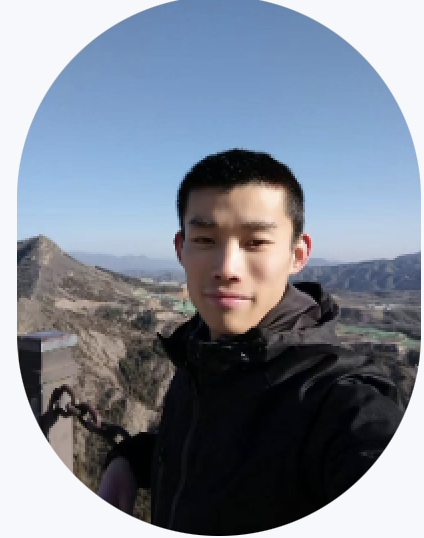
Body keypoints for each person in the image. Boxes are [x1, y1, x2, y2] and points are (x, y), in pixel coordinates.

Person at [97, 149, 404, 535]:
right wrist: (129, 459)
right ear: (180, 249)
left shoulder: (338, 401)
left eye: (256, 242)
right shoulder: (199, 353)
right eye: (205, 239)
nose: (226, 268)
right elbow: (206, 445)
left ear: (297, 254)